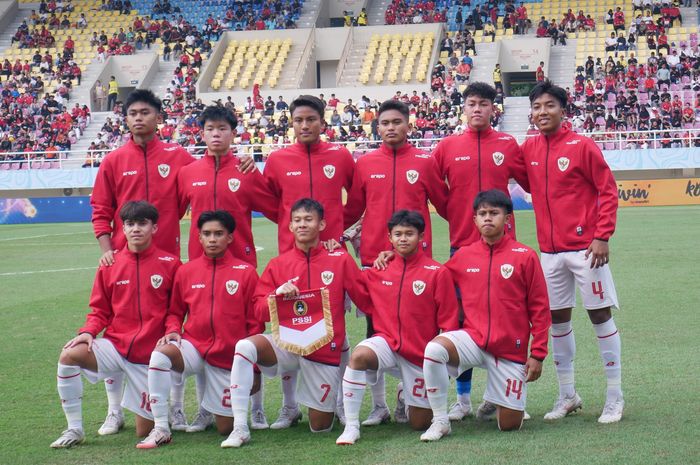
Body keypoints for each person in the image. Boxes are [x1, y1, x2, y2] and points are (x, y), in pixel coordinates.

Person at [222, 199, 373, 448]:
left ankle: (334, 394)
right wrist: (276, 297)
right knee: (245, 347)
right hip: (287, 345)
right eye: (297, 220)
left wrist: (385, 267)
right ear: (290, 226)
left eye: (309, 219)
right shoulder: (278, 265)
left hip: (322, 350)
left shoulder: (340, 260)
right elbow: (258, 310)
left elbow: (366, 299)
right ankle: (240, 427)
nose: (302, 224)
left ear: (322, 224)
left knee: (320, 428)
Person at [90, 89, 194, 435]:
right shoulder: (114, 160)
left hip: (167, 263)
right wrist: (107, 248)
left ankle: (176, 409)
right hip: (124, 262)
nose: (138, 117)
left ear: (159, 117)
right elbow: (101, 210)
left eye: (145, 112)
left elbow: (204, 181)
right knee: (118, 330)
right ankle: (113, 410)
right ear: (125, 118)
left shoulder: (179, 156)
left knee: (171, 331)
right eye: (132, 112)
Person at [522, 80, 623, 424]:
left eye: (549, 105)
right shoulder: (529, 149)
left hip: (586, 250)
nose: (542, 112)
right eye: (537, 107)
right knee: (557, 321)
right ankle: (567, 394)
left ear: (562, 110)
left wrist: (602, 235)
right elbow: (530, 184)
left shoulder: (582, 146)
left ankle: (614, 396)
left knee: (600, 317)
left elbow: (607, 190)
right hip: (549, 253)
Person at [342, 100, 449, 425]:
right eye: (384, 123)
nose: (390, 127)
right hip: (376, 262)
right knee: (376, 330)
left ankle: (409, 390)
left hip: (417, 266)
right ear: (377, 127)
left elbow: (445, 206)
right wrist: (332, 234)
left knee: (419, 329)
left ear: (408, 125)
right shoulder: (366, 163)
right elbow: (353, 210)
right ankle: (379, 405)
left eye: (396, 122)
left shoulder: (424, 162)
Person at [431, 82, 529, 421]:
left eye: (484, 104)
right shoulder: (446, 146)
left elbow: (534, 182)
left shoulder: (507, 144)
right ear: (463, 107)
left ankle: (499, 394)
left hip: (505, 252)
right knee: (462, 323)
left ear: (493, 109)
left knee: (506, 318)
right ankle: (463, 399)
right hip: (462, 247)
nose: (477, 109)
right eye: (472, 103)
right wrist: (457, 215)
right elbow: (432, 189)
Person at [419, 189, 551, 441]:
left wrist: (538, 354)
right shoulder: (464, 256)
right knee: (434, 350)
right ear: (474, 220)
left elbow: (541, 308)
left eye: (494, 213)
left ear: (508, 219)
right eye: (482, 214)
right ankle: (440, 421)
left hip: (510, 349)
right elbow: (430, 274)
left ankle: (496, 396)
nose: (488, 218)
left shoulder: (525, 257)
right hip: (474, 340)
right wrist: (396, 257)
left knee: (509, 426)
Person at [50, 201, 181, 448]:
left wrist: (172, 331)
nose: (136, 229)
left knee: (143, 429)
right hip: (116, 345)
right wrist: (88, 331)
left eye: (142, 223)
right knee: (69, 355)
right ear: (123, 228)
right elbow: (99, 310)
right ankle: (74, 429)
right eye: (130, 224)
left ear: (154, 227)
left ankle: (168, 408)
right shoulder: (110, 264)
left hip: (149, 356)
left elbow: (176, 310)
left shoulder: (171, 264)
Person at [137, 210, 264, 448]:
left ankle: (210, 409)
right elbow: (174, 311)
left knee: (224, 427)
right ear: (199, 237)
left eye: (218, 234)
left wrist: (253, 367)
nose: (212, 239)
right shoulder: (186, 272)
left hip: (228, 355)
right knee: (160, 355)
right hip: (194, 346)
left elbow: (255, 323)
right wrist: (173, 328)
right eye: (207, 234)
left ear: (230, 237)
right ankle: (161, 427)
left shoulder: (245, 273)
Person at [335, 210, 459, 445]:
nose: (403, 239)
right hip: (387, 343)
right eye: (398, 234)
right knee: (359, 355)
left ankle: (405, 395)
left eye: (409, 234)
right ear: (389, 238)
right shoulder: (379, 270)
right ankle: (351, 426)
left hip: (420, 355)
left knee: (419, 424)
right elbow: (358, 290)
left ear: (421, 236)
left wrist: (442, 363)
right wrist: (340, 252)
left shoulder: (437, 273)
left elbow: (449, 321)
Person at [177, 105, 278, 266]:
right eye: (210, 129)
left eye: (222, 128)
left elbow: (277, 211)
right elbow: (171, 213)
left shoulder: (247, 170)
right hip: (199, 262)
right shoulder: (187, 173)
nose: (216, 134)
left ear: (233, 134)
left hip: (241, 262)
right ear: (202, 134)